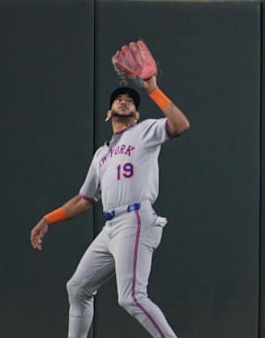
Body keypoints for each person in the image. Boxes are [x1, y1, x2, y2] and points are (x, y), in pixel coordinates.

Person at [30, 75, 189, 338]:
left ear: (136, 114)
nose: (124, 101)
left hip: (136, 218)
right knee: (78, 288)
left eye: (130, 101)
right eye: (119, 99)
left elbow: (181, 125)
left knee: (132, 297)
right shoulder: (101, 154)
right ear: (108, 113)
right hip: (111, 227)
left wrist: (154, 90)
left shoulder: (144, 131)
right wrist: (48, 219)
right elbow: (85, 200)